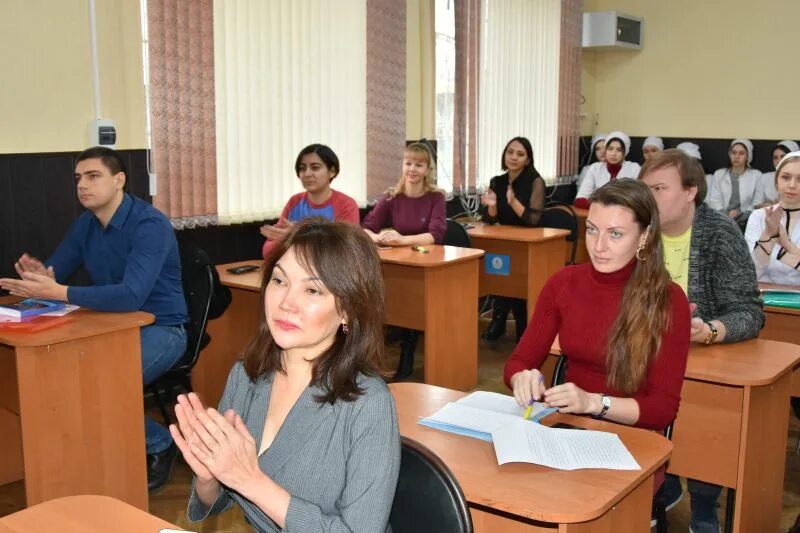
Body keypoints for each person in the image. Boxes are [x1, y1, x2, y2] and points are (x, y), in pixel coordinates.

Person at [173, 219, 400, 532]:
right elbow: (223, 497)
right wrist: (209, 477)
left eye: (312, 290)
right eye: (279, 281)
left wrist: (251, 481)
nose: (285, 303)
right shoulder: (248, 375)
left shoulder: (368, 403)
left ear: (348, 308)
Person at [0, 146, 189, 491]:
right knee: (66, 379)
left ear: (119, 180)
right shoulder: (86, 224)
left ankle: (160, 443)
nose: (82, 185)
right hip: (110, 323)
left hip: (162, 327)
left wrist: (59, 292)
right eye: (78, 178)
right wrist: (43, 277)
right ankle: (89, 458)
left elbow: (132, 295)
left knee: (100, 387)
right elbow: (58, 271)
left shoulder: (150, 225)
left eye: (93, 176)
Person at [504, 179, 690, 506]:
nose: (598, 246)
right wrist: (522, 377)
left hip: (634, 443)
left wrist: (594, 403)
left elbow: (661, 410)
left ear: (644, 236)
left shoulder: (668, 300)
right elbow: (518, 361)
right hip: (570, 431)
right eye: (591, 230)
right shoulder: (563, 282)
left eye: (615, 234)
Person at [639, 149, 764, 533]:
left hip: (704, 356)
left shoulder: (719, 233)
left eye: (658, 188)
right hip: (647, 353)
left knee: (708, 422)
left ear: (690, 191)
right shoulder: (639, 231)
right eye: (645, 189)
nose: (648, 198)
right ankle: (662, 482)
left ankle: (705, 499)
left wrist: (709, 330)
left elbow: (749, 311)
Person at [362, 142, 446, 379]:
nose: (412, 169)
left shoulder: (436, 197)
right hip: (400, 262)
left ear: (427, 169)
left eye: (419, 165)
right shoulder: (391, 196)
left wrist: (402, 239)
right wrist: (378, 236)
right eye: (408, 163)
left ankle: (409, 346)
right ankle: (394, 347)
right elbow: (366, 227)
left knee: (413, 298)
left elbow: (436, 234)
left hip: (427, 262)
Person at [479, 136, 546, 342]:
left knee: (517, 280)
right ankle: (499, 319)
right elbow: (491, 219)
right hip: (504, 241)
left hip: (527, 244)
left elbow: (533, 220)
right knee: (500, 277)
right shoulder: (497, 181)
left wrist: (513, 202)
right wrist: (491, 205)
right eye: (510, 152)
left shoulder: (535, 181)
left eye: (520, 154)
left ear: (528, 159)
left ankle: (518, 325)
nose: (514, 157)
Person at [261, 144, 359, 259]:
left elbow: (344, 252)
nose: (307, 174)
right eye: (302, 168)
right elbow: (268, 251)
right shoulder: (294, 202)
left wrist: (297, 235)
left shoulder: (347, 205)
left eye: (315, 167)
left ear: (332, 171)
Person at [746, 151, 800, 284]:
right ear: (776, 181)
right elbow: (749, 274)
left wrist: (787, 244)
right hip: (765, 298)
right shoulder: (758, 217)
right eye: (786, 177)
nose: (792, 185)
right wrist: (767, 237)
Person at [706, 139, 764, 230]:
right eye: (734, 153)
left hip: (747, 220)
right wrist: (725, 214)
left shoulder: (756, 175)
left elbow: (756, 202)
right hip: (722, 219)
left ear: (748, 156)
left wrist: (742, 213)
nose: (736, 156)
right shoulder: (719, 174)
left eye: (741, 153)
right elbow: (714, 200)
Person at [574, 131, 641, 208]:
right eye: (610, 149)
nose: (613, 154)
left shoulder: (634, 168)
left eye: (619, 150)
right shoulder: (595, 168)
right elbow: (580, 200)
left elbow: (637, 200)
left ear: (625, 152)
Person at [761, 140, 799, 204]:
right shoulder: (764, 177)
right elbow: (757, 203)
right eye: (775, 158)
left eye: (783, 156)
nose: (779, 161)